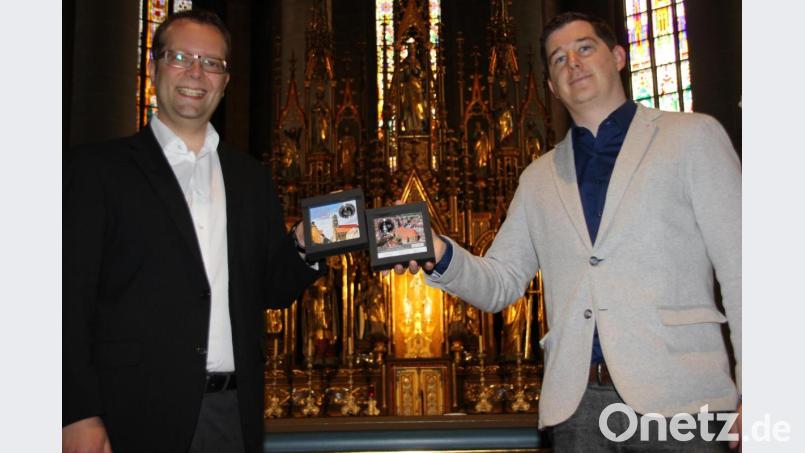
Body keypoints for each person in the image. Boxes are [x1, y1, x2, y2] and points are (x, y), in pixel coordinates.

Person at [399, 11, 741, 452]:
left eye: (584, 48)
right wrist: (440, 252)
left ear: (617, 56)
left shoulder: (692, 137)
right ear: (552, 87)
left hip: (679, 396)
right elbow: (500, 282)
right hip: (577, 407)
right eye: (558, 59)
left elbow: (743, 268)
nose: (572, 63)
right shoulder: (537, 177)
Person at [63, 10, 321, 453]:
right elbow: (65, 298)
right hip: (130, 410)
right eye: (181, 57)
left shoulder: (249, 177)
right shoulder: (95, 170)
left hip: (231, 411)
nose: (196, 73)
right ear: (153, 66)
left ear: (225, 80)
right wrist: (76, 413)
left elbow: (270, 289)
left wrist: (305, 245)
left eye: (212, 63)